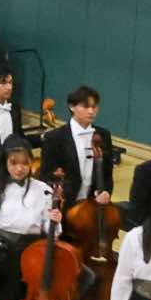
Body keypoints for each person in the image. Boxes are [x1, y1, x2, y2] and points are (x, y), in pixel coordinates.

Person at [39, 84, 114, 212]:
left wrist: (106, 191)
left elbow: (107, 174)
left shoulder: (103, 135)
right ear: (72, 107)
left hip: (92, 206)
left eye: (94, 107)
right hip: (63, 205)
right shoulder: (54, 137)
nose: (91, 111)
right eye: (85, 106)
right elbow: (46, 176)